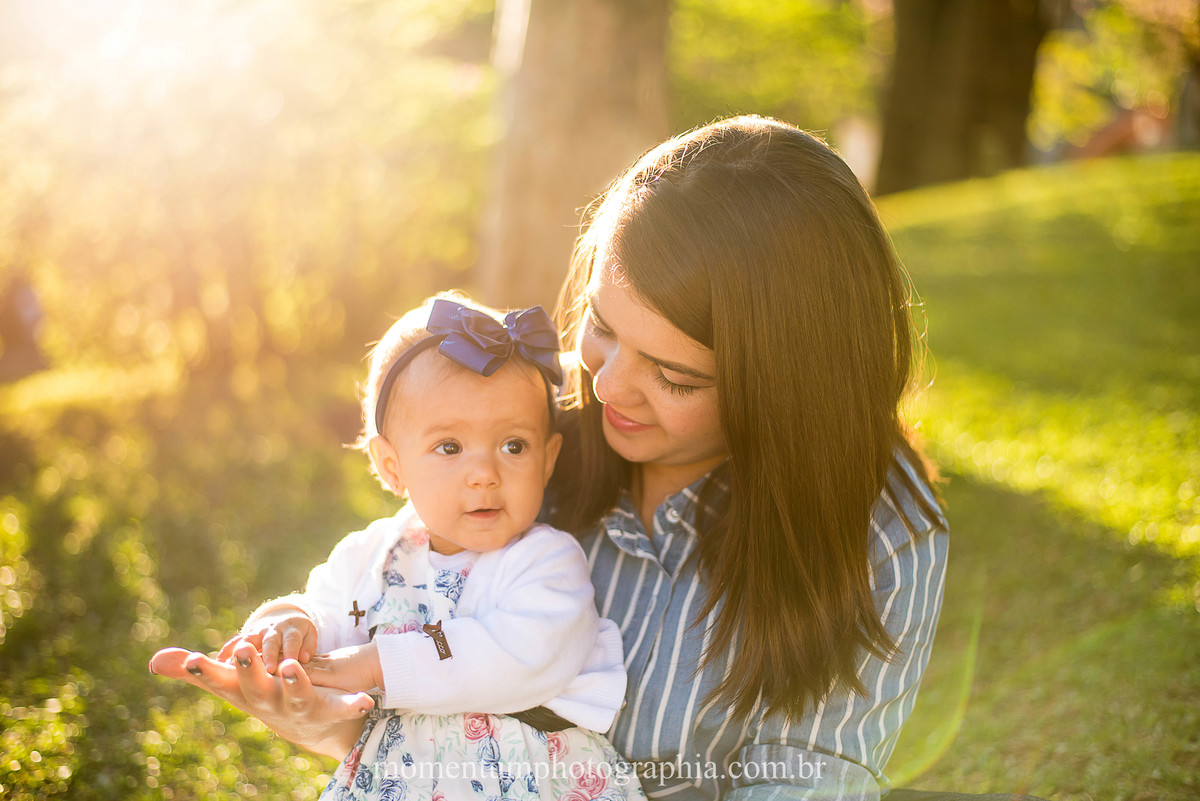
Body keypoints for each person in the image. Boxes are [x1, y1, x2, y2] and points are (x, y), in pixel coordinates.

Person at [152, 116, 1036, 800]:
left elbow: (814, 770)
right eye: (603, 330)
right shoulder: (525, 448)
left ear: (786, 384)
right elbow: (421, 706)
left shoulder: (880, 526)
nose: (608, 385)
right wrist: (314, 705)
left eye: (675, 375)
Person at [157, 295, 646, 800]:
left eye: (513, 445)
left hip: (531, 779)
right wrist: (287, 625)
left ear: (548, 459)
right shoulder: (372, 556)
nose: (484, 473)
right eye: (450, 447)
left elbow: (525, 653)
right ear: (392, 466)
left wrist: (376, 665)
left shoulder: (546, 561)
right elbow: (326, 613)